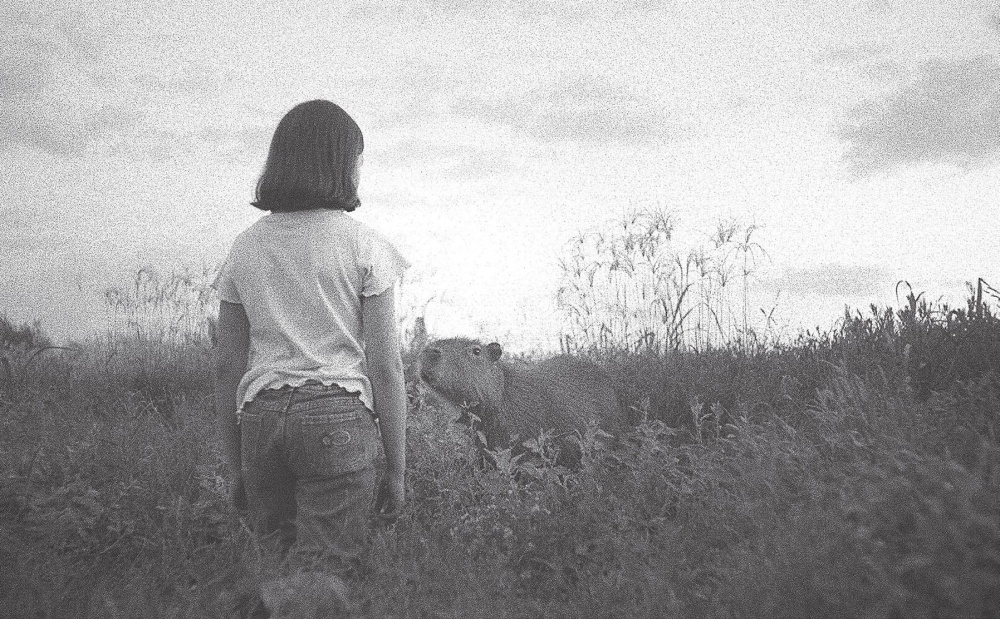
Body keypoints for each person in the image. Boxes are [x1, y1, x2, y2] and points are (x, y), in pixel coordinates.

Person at [211, 100, 408, 590]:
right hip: (335, 413)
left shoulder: (245, 247)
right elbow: (385, 367)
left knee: (276, 565)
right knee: (326, 574)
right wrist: (397, 469)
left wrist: (235, 468)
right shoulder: (365, 246)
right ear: (342, 165)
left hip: (260, 415)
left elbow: (227, 367)